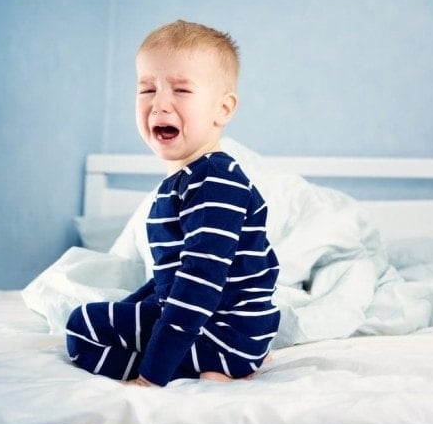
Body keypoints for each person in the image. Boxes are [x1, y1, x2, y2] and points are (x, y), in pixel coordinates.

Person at [65, 20, 281, 387]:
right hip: (220, 328)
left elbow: (198, 282)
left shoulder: (215, 182)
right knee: (105, 319)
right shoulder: (185, 182)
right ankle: (217, 363)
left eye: (181, 90)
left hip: (220, 330)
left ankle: (214, 366)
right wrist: (130, 309)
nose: (159, 103)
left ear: (223, 110)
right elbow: (170, 279)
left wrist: (152, 376)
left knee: (81, 329)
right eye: (147, 88)